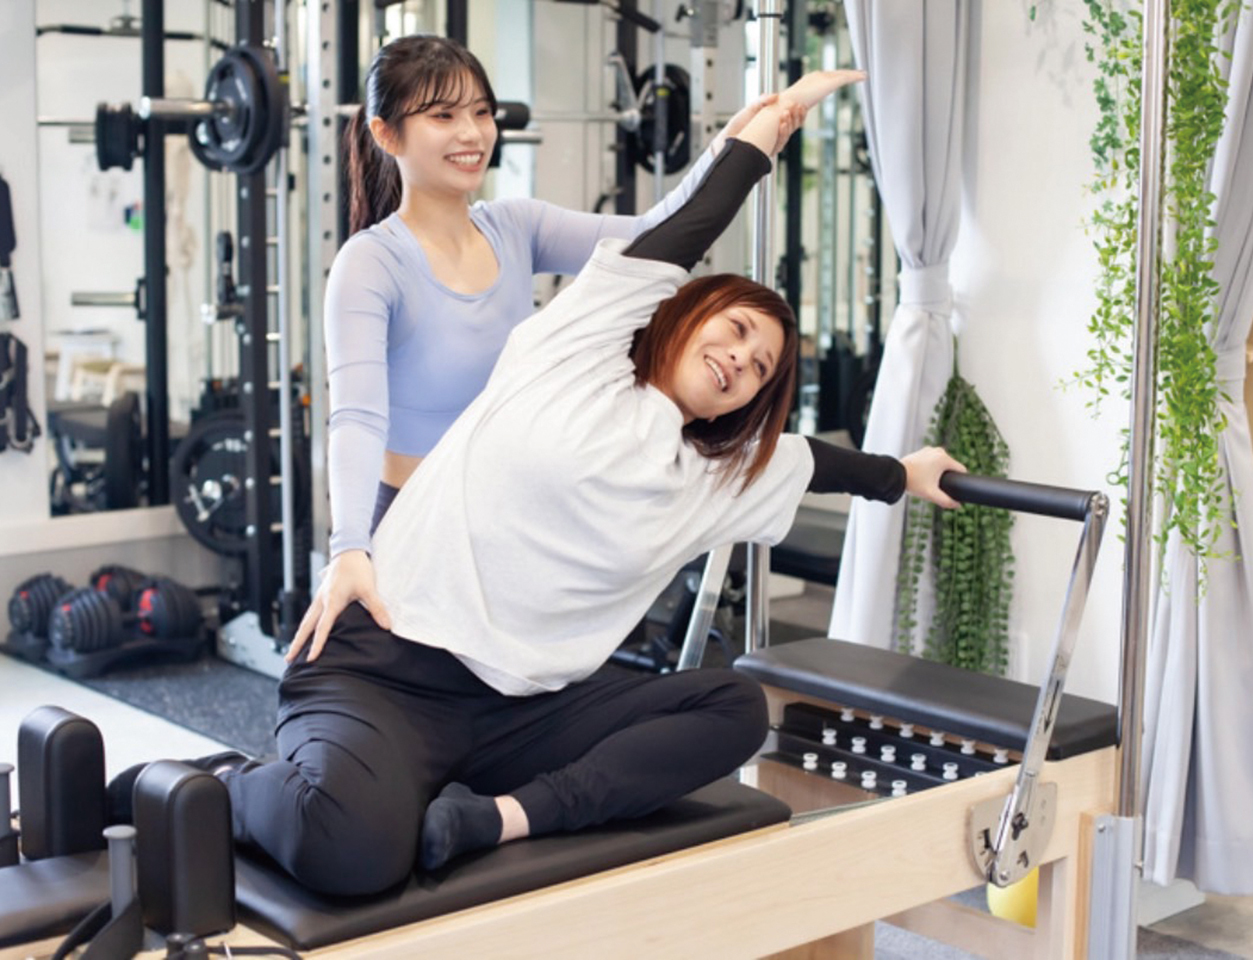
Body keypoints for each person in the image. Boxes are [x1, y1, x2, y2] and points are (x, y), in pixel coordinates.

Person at [110, 69, 965, 898]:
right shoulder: (579, 349)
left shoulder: (725, 473)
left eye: (762, 366)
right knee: (350, 853)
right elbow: (677, 231)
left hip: (522, 714)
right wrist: (762, 136)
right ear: (686, 310)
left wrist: (908, 474)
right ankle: (217, 785)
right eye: (736, 329)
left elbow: (827, 465)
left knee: (736, 709)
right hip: (390, 669)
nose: (741, 359)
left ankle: (505, 818)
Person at [308, 35, 784, 652]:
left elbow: (651, 237)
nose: (472, 133)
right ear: (386, 134)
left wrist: (729, 148)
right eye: (443, 116)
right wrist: (349, 546)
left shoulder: (516, 226)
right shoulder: (371, 262)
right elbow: (357, 416)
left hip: (508, 516)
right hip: (411, 520)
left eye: (482, 112)